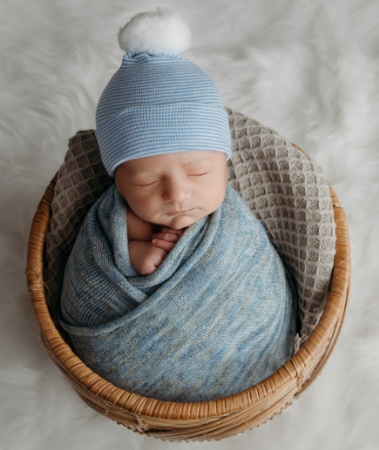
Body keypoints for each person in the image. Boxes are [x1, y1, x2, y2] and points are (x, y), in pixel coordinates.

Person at [59, 8, 297, 402]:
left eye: (200, 173)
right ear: (117, 181)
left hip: (243, 332)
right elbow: (95, 272)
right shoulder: (120, 218)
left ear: (225, 162)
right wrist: (138, 254)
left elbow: (255, 275)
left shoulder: (233, 218)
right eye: (146, 181)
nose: (177, 194)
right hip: (138, 359)